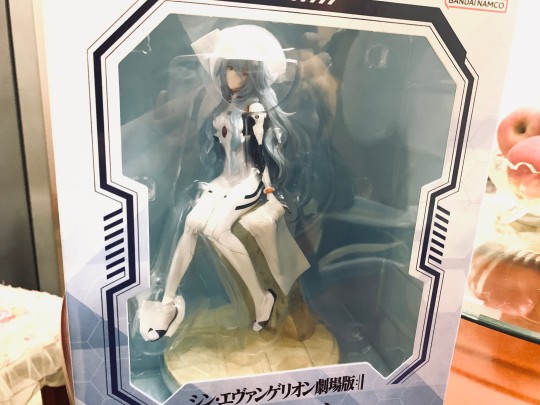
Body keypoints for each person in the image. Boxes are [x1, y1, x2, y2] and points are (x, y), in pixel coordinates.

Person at [140, 25, 311, 342]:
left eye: (244, 69)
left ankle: (261, 298)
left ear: (255, 74)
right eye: (230, 67)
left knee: (217, 230)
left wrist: (270, 192)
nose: (236, 75)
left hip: (249, 180)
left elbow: (261, 154)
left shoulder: (255, 109)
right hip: (223, 179)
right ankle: (168, 303)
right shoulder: (222, 106)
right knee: (191, 223)